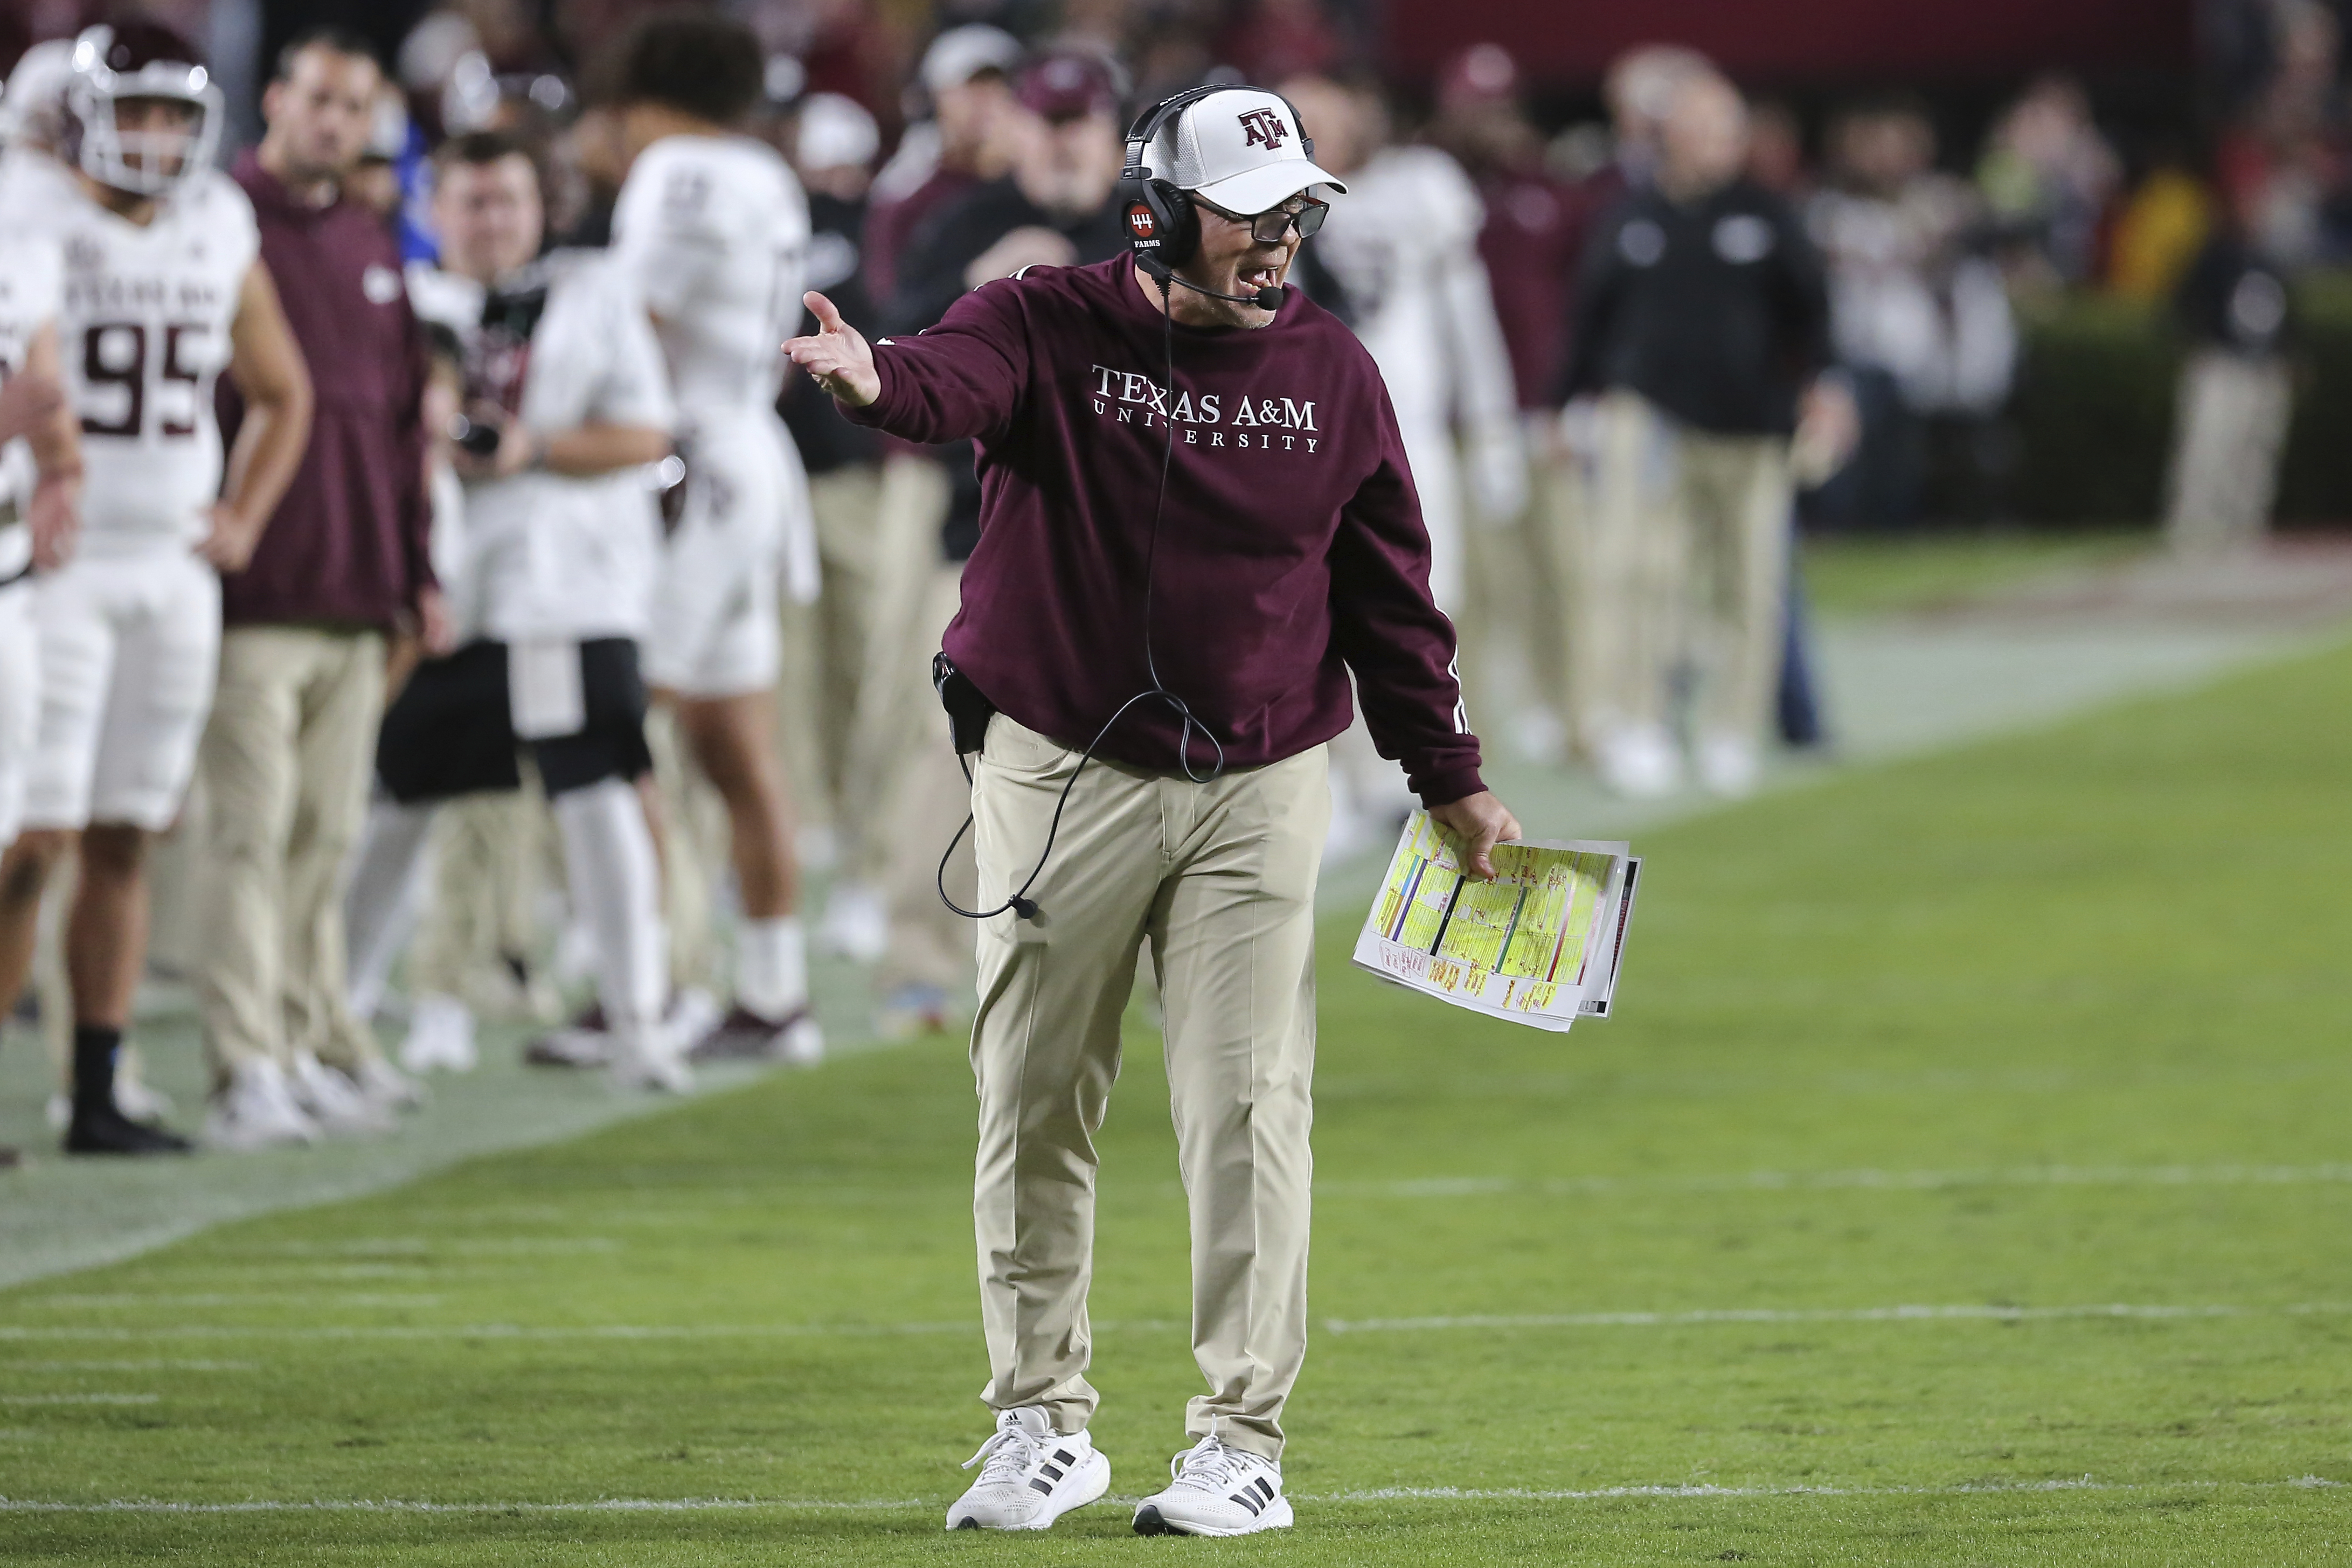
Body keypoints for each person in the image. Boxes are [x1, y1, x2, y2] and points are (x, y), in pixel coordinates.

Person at [786, 84, 1521, 1537]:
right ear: (1155, 211)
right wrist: (874, 381)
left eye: (1294, 213)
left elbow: (1388, 597)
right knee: (1032, 1092)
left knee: (1249, 1105)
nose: (1278, 244)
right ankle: (1039, 1419)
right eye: (1248, 216)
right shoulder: (1045, 319)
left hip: (1260, 783)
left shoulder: (1335, 371)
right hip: (1061, 771)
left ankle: (1240, 1437)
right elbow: (945, 382)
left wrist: (1446, 777)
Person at [0, 22, 314, 1156]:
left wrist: (243, 513)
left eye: (175, 115)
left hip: (172, 568)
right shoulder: (28, 214)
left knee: (129, 832)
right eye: (134, 110)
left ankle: (98, 1086)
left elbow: (284, 392)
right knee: (30, 841)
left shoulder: (217, 223)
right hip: (57, 569)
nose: (155, 136)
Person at [347, 130, 682, 1091]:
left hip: (566, 586)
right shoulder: (399, 299)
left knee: (596, 788)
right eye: (473, 201)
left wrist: (528, 447)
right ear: (432, 210)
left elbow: (643, 433)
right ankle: (337, 1016)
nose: (492, 220)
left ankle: (638, 1018)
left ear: (542, 209)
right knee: (397, 797)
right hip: (443, 586)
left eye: (509, 200)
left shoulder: (593, 293)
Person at [193, 27, 447, 1150]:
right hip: (255, 585)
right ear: (277, 101)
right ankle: (244, 1062)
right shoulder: (213, 223)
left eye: (356, 107)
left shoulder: (366, 234)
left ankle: (300, 1038)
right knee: (252, 836)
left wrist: (419, 570)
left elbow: (403, 433)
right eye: (320, 100)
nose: (337, 123)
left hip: (357, 587)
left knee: (328, 836)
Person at [604, 12, 823, 1064]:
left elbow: (631, 327)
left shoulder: (679, 172)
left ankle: (641, 986)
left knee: (612, 726)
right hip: (749, 457)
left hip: (691, 467)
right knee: (733, 743)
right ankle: (775, 994)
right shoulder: (764, 173)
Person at [1561, 71, 1840, 798]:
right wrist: (1562, 407)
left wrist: (1824, 391)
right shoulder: (1632, 217)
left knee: (1750, 582)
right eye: (1699, 127)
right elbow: (1589, 320)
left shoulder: (1767, 215)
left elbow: (1811, 316)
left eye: (1725, 128)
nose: (1713, 143)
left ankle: (1729, 730)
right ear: (1669, 135)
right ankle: (1642, 721)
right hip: (1651, 419)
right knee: (1643, 575)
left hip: (1751, 428)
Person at [0, 151, 83, 1172]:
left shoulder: (23, 244)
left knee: (21, 849)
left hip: (14, 579)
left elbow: (43, 387)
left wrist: (60, 464)